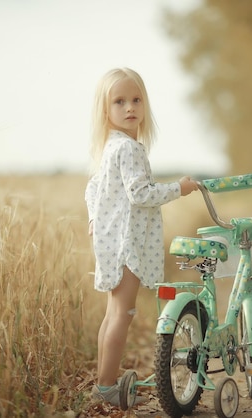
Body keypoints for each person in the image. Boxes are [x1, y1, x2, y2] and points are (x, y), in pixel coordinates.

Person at [84, 68, 198, 407]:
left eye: (136, 100)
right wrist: (180, 188)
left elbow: (92, 188)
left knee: (113, 312)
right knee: (122, 314)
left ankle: (103, 382)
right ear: (106, 111)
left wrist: (95, 218)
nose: (130, 107)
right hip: (127, 243)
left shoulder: (112, 146)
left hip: (111, 240)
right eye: (119, 101)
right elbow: (139, 193)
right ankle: (106, 386)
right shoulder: (129, 149)